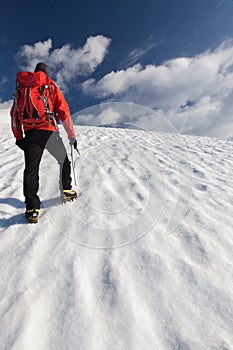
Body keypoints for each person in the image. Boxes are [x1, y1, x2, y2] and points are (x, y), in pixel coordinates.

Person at [10, 62, 78, 223]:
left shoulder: (22, 88)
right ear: (47, 73)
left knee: (31, 169)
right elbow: (63, 111)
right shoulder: (49, 85)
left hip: (31, 134)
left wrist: (19, 138)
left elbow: (14, 115)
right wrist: (71, 135)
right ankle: (67, 190)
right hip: (49, 132)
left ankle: (32, 207)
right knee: (64, 161)